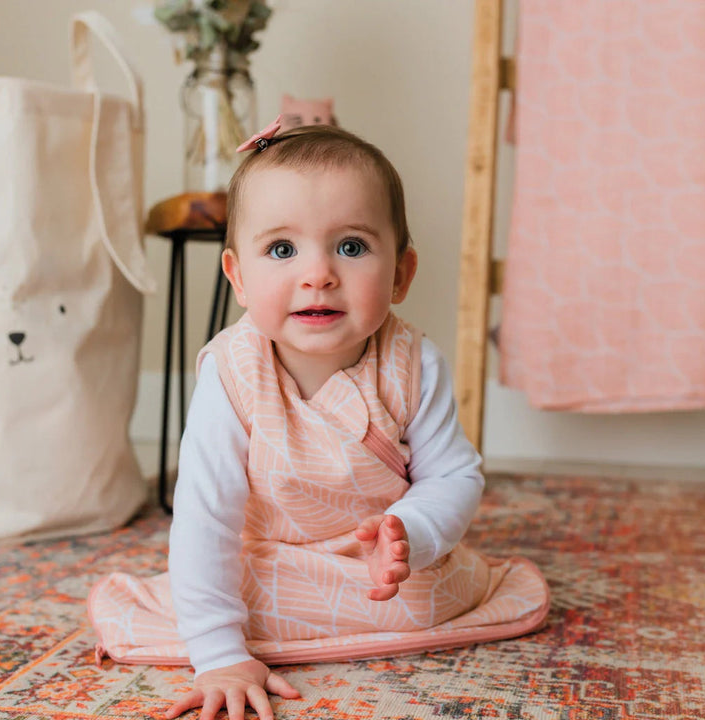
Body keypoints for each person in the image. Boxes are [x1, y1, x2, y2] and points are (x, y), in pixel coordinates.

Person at [164, 119, 486, 720]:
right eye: (282, 250)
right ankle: (244, 627)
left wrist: (408, 533)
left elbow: (455, 478)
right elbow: (205, 516)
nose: (318, 274)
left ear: (400, 275)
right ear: (237, 276)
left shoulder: (415, 363)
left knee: (433, 593)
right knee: (217, 587)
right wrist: (218, 654)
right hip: (275, 556)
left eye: (352, 246)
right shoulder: (231, 374)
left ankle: (364, 594)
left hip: (377, 567)